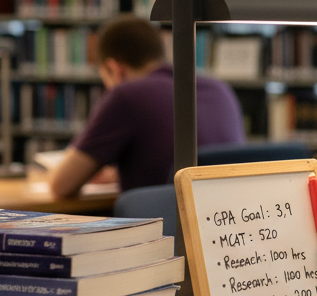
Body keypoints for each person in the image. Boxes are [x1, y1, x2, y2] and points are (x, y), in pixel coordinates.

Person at [50, 16, 245, 198]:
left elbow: (61, 185)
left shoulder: (126, 95)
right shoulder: (219, 89)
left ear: (113, 68)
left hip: (165, 228)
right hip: (225, 224)